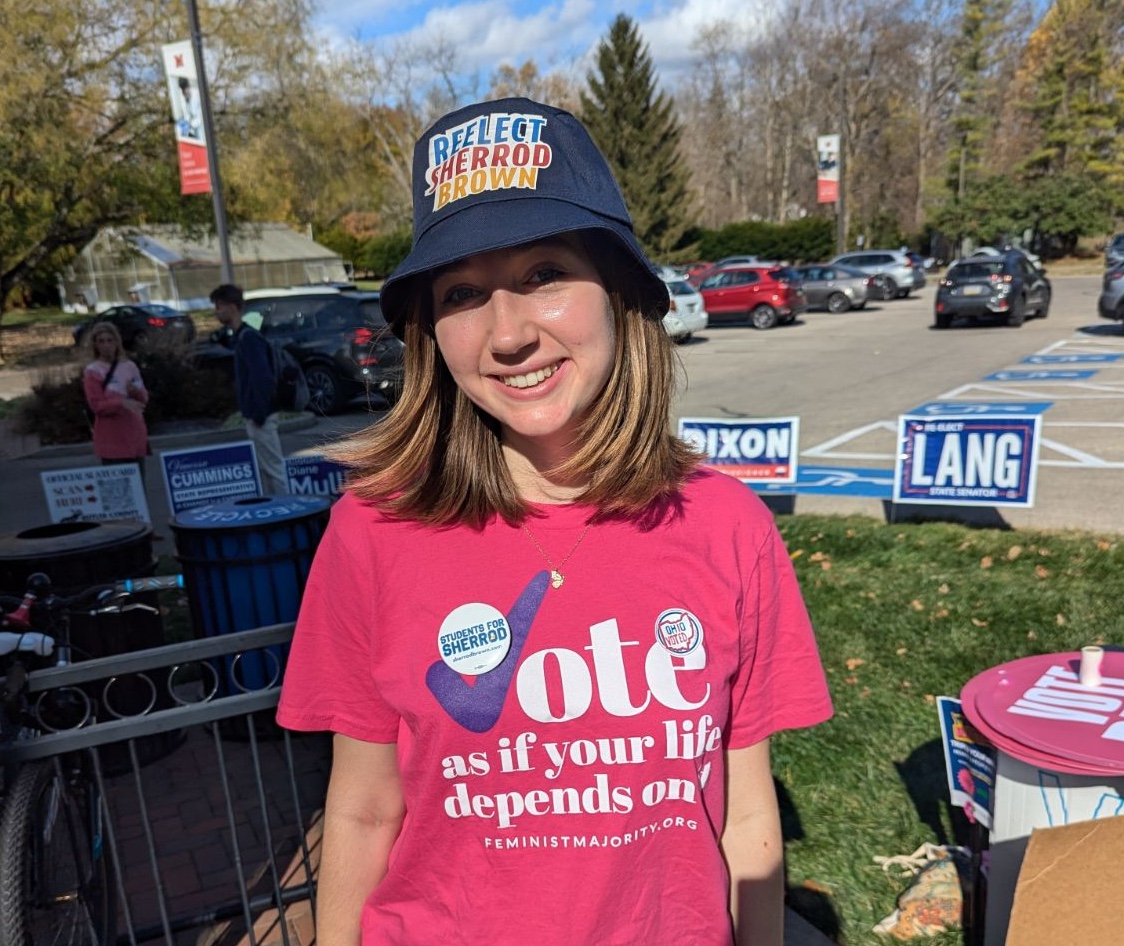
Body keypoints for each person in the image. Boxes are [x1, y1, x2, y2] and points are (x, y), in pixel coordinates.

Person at [276, 97, 833, 946]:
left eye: (543, 275)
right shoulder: (370, 531)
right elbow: (358, 812)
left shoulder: (727, 526)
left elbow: (747, 812)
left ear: (619, 290)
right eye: (463, 292)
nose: (508, 333)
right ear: (430, 330)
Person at [209, 283, 288, 495]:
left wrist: (259, 413)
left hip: (260, 415)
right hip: (256, 413)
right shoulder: (242, 336)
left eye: (219, 306)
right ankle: (278, 508)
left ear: (232, 307)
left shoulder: (249, 338)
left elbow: (262, 378)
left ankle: (287, 512)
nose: (216, 312)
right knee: (267, 468)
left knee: (273, 468)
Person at [82, 321, 149, 484]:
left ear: (117, 342)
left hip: (135, 436)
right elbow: (97, 405)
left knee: (139, 490)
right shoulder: (93, 371)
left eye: (110, 340)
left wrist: (136, 392)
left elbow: (144, 399)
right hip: (112, 440)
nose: (106, 345)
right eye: (101, 341)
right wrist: (121, 403)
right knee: (120, 494)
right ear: (95, 345)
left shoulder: (129, 366)